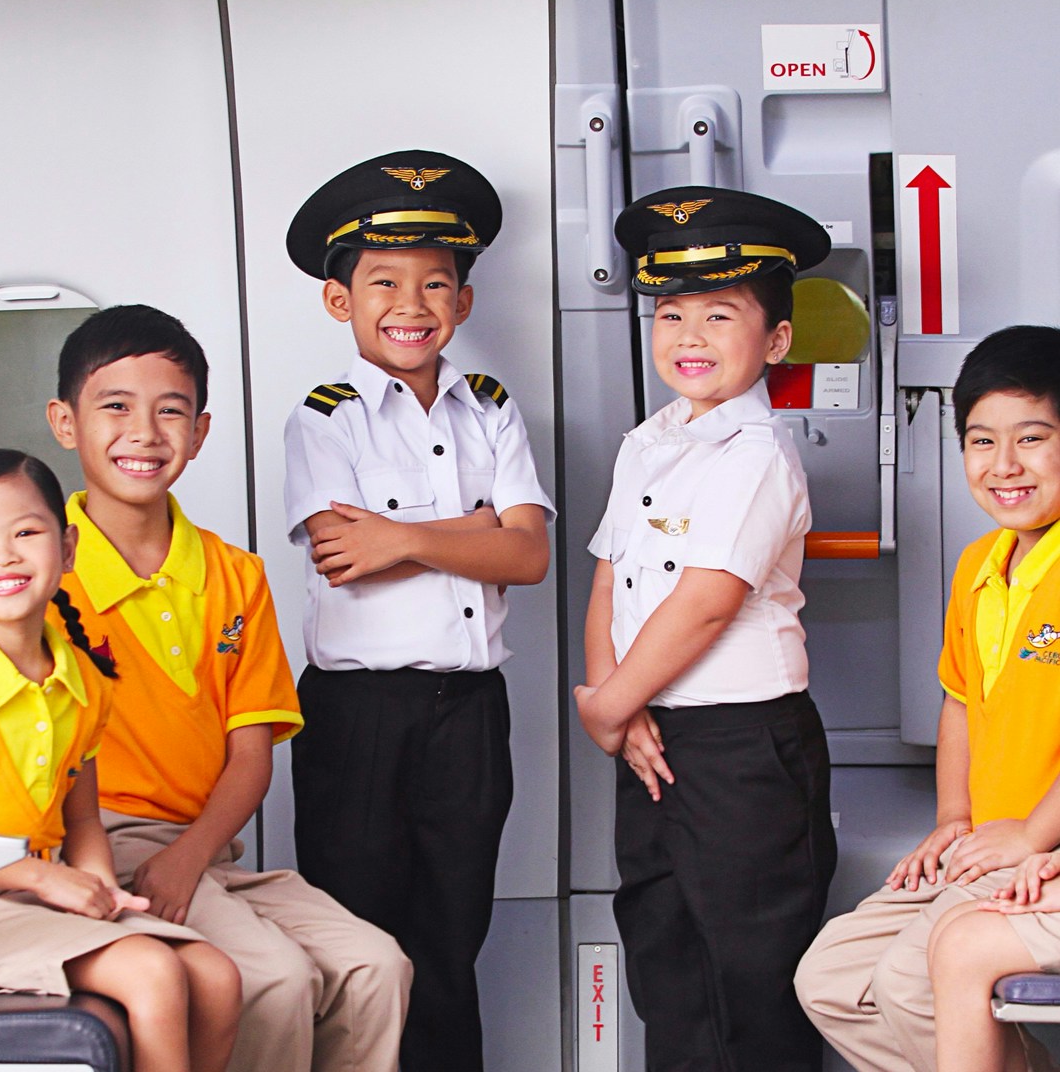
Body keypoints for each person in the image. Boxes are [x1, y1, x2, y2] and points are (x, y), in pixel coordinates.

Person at [45, 305, 412, 1072]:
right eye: (115, 406)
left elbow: (251, 754)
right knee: (272, 978)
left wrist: (189, 857)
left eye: (169, 410)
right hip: (98, 845)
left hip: (205, 849)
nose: (144, 433)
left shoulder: (232, 574)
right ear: (65, 422)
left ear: (201, 431)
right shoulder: (43, 575)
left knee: (379, 964)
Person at [283, 149, 554, 1071]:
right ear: (340, 302)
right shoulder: (325, 419)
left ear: (464, 304)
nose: (411, 304)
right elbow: (343, 555)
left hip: (468, 717)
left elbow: (528, 555)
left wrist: (404, 537)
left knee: (450, 941)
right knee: (360, 945)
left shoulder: (491, 409)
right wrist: (466, 530)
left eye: (435, 284)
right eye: (383, 282)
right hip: (359, 718)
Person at [575, 186, 837, 1071]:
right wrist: (621, 708)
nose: (688, 335)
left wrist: (609, 705)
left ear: (775, 342)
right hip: (652, 733)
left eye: (719, 314)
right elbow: (611, 573)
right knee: (666, 959)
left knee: (753, 979)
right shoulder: (645, 442)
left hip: (741, 748)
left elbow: (707, 599)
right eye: (670, 312)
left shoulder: (759, 454)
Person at [796, 326, 1060, 1072]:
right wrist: (953, 820)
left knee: (912, 986)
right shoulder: (981, 565)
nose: (1003, 465)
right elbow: (961, 704)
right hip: (992, 841)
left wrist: (1034, 836)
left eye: (1032, 437)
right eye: (981, 441)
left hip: (1037, 844)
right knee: (832, 980)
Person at [0, 447, 241, 1072]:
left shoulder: (84, 683)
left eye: (26, 532)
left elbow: (85, 821)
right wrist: (39, 876)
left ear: (68, 550)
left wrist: (99, 889)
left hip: (25, 901)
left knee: (216, 975)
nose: (3, 555)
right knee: (150, 970)